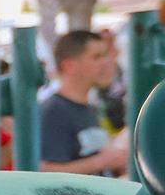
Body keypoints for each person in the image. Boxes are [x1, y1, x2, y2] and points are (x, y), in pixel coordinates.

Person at [38, 29, 128, 176]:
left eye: (106, 56)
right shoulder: (53, 111)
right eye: (97, 57)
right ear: (69, 66)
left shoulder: (90, 108)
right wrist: (103, 161)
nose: (107, 63)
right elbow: (45, 171)